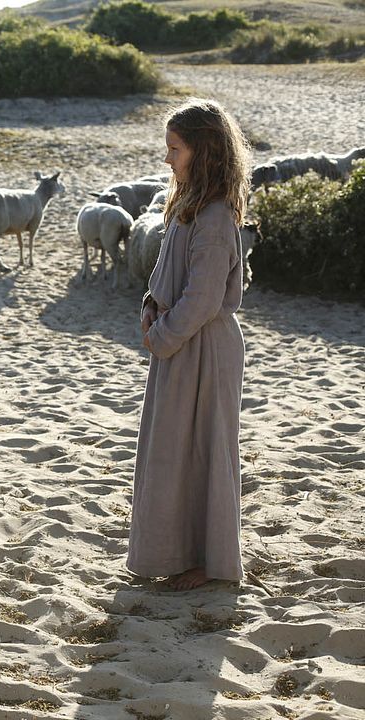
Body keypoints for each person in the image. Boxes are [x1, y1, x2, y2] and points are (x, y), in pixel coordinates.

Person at [128, 98, 252, 591]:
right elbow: (170, 278)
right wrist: (150, 303)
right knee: (174, 453)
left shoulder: (217, 216)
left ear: (203, 151)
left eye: (175, 149)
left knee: (203, 452)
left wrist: (160, 336)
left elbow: (202, 299)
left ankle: (209, 563)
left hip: (203, 349)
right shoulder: (188, 206)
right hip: (181, 347)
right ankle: (178, 553)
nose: (167, 159)